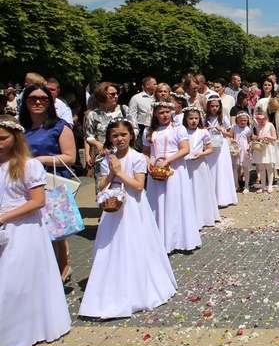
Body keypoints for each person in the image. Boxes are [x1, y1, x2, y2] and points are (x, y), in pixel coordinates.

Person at [79, 118, 177, 319]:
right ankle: (110, 287)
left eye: (123, 134)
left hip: (133, 206)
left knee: (134, 242)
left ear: (131, 135)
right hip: (113, 206)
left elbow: (138, 186)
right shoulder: (107, 159)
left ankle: (138, 287)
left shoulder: (138, 157)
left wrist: (118, 173)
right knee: (111, 245)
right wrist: (111, 173)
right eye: (114, 136)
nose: (119, 139)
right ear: (109, 139)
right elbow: (101, 186)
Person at [0, 116, 71, 346]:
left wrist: (3, 217)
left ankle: (20, 335)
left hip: (23, 228)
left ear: (15, 139)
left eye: (3, 138)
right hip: (5, 225)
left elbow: (38, 201)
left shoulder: (28, 166)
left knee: (15, 281)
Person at [19, 83, 78, 282]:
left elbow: (70, 157)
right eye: (32, 99)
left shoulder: (59, 126)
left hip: (52, 183)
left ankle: (62, 269)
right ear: (25, 102)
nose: (37, 102)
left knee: (54, 229)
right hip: (25, 184)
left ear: (50, 102)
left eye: (43, 99)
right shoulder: (21, 128)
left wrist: (38, 160)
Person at [143, 101, 201, 254]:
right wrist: (149, 162)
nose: (165, 115)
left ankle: (178, 239)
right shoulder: (149, 131)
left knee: (174, 202)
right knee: (158, 203)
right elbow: (146, 151)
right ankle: (159, 239)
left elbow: (185, 149)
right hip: (156, 170)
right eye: (161, 112)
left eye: (167, 112)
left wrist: (168, 161)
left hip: (174, 169)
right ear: (155, 114)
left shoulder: (178, 128)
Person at [183, 107, 220, 228]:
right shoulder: (182, 131)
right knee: (189, 188)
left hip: (200, 164)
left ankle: (204, 216)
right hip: (186, 164)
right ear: (186, 119)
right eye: (190, 118)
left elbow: (209, 149)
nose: (193, 121)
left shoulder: (203, 132)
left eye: (196, 118)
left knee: (201, 189)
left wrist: (201, 154)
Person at [251, 108, 277, 193]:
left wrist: (266, 136)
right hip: (260, 148)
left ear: (266, 118)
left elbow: (274, 137)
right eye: (259, 120)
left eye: (263, 119)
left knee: (269, 167)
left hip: (268, 147)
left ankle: (270, 185)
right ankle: (263, 186)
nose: (261, 121)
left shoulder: (270, 125)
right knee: (261, 167)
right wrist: (256, 137)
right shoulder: (257, 126)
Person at [128, 76, 157, 146]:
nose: (157, 86)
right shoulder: (136, 98)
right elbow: (132, 115)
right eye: (154, 84)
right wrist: (135, 131)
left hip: (156, 127)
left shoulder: (157, 97)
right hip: (142, 128)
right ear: (147, 85)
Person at [231, 111, 254, 193]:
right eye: (241, 120)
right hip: (236, 148)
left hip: (244, 148)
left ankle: (246, 185)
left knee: (245, 167)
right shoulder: (234, 127)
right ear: (238, 120)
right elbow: (231, 136)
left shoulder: (248, 129)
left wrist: (248, 149)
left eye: (245, 120)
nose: (243, 122)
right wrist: (232, 140)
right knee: (235, 167)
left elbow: (250, 141)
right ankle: (235, 185)